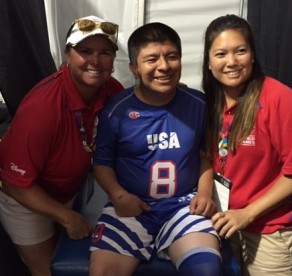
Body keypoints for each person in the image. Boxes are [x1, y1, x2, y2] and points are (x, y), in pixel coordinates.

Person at [89, 22, 221, 276]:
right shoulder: (117, 109)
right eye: (152, 59)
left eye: (171, 56)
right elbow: (102, 162)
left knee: (206, 270)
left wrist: (204, 194)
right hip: (132, 205)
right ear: (134, 68)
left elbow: (204, 155)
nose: (164, 66)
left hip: (183, 204)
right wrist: (118, 196)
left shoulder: (198, 104)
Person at [0, 15, 124, 276]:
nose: (95, 60)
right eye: (85, 51)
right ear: (68, 55)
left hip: (69, 189)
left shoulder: (112, 90)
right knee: (49, 272)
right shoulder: (42, 108)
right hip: (24, 198)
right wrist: (67, 218)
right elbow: (14, 182)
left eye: (105, 53)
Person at [202, 14, 292, 275]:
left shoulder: (279, 98)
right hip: (226, 225)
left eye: (241, 51)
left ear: (253, 55)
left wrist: (247, 213)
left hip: (271, 231)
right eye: (221, 54)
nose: (232, 62)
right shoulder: (211, 102)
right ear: (209, 62)